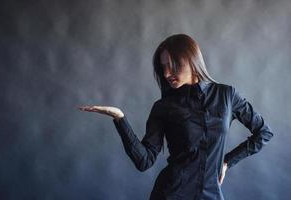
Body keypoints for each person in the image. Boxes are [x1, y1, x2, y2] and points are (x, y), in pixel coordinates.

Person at [78, 34, 274, 200]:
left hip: (210, 194)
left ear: (191, 60)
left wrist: (227, 162)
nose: (166, 73)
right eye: (163, 68)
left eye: (172, 65)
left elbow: (263, 133)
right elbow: (144, 161)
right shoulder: (163, 107)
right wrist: (119, 118)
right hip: (171, 193)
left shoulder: (226, 95)